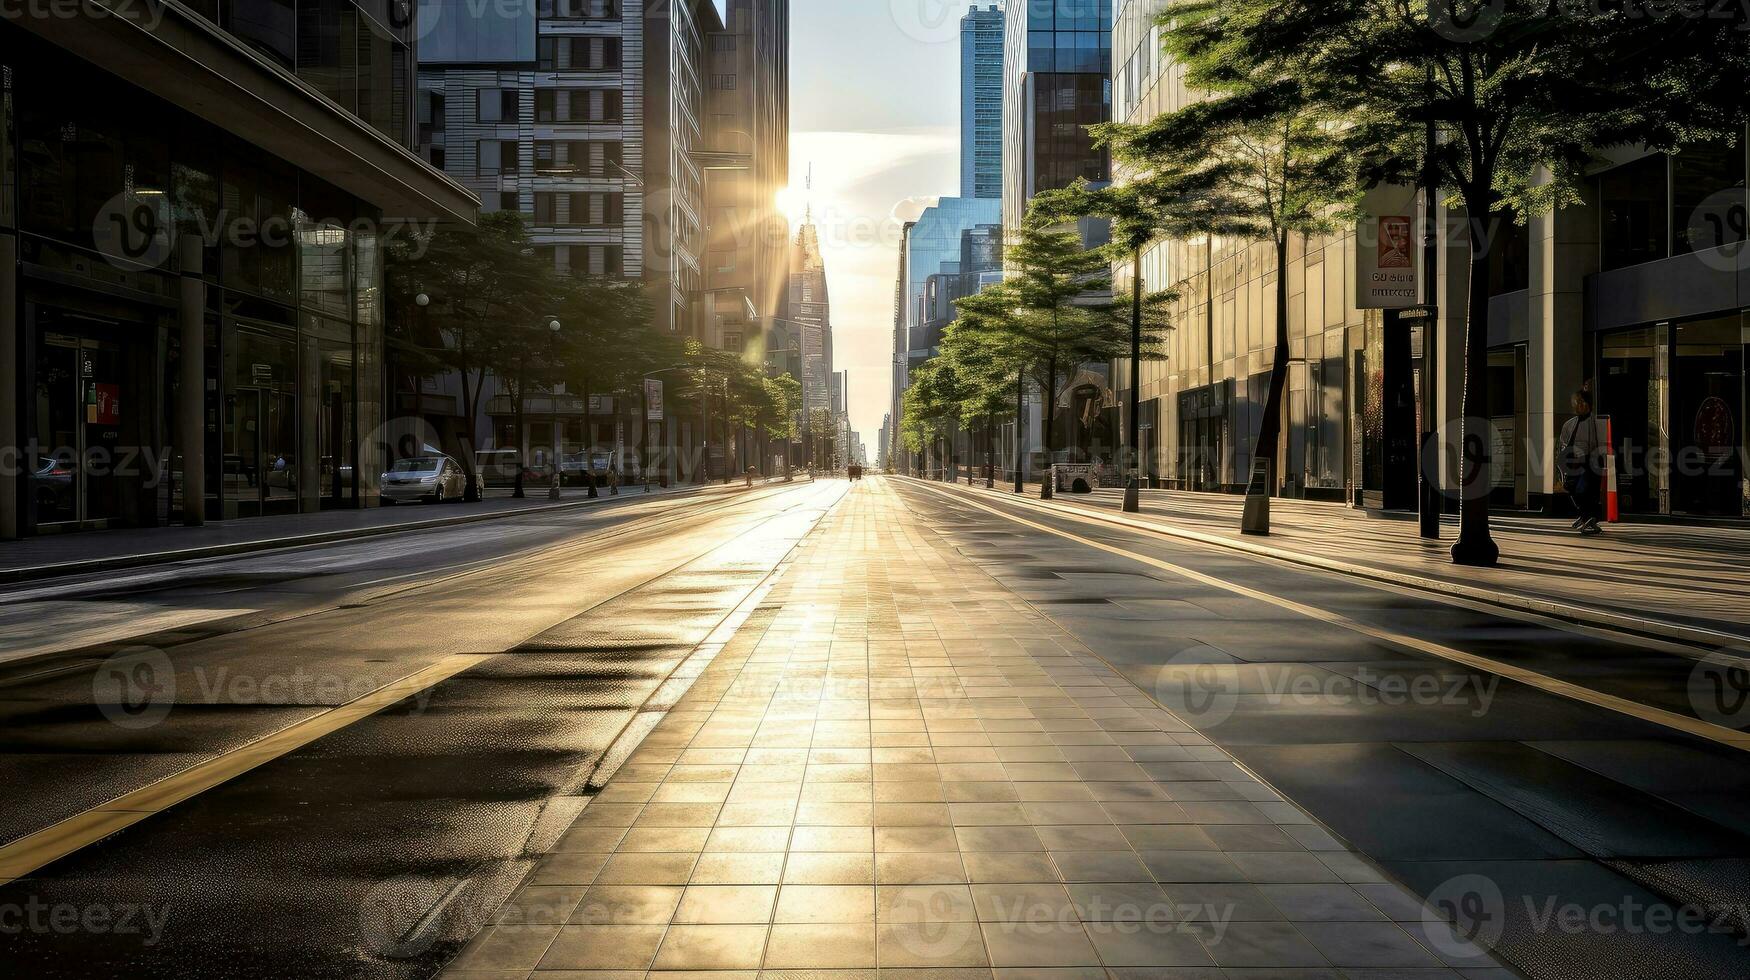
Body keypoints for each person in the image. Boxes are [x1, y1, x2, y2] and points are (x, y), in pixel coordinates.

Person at [1558, 389, 1607, 536]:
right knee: (1570, 486)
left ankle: (1588, 517)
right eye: (1576, 402)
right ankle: (1586, 516)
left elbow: (1601, 444)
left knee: (1584, 489)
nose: (1578, 405)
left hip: (1590, 460)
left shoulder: (1596, 423)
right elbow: (1563, 442)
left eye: (1581, 401)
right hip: (1573, 460)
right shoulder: (1569, 424)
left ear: (1588, 404)